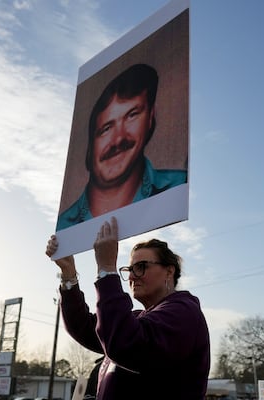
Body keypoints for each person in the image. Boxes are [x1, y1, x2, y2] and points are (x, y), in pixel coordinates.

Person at [46, 216, 210, 399]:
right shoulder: (137, 319)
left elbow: (125, 343)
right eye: (130, 269)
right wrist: (68, 274)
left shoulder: (184, 312)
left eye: (141, 267)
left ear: (169, 271)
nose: (132, 276)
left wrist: (107, 269)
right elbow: (83, 327)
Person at [56, 64, 187, 231]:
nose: (118, 138)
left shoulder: (180, 187)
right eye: (106, 128)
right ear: (89, 149)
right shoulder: (65, 227)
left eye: (132, 115)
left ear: (150, 118)